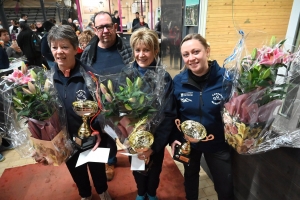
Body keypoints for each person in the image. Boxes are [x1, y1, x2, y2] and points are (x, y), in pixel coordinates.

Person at [46, 25, 115, 200]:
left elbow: (104, 109)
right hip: (66, 140)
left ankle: (102, 191)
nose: (59, 52)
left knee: (98, 169)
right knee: (76, 172)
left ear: (76, 48)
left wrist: (98, 129)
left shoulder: (90, 76)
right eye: (55, 47)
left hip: (94, 137)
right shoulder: (47, 80)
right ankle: (85, 195)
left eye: (64, 47)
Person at [170, 33, 234, 200]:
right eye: (186, 54)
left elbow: (238, 111)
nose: (191, 58)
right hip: (189, 143)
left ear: (207, 51)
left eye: (196, 52)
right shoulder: (178, 81)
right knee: (190, 179)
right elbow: (173, 113)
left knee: (224, 186)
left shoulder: (227, 79)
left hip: (217, 143)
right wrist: (174, 139)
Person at [80, 11, 132, 181]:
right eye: (100, 27)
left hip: (127, 103)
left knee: (129, 133)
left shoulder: (127, 48)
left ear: (115, 27)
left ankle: (136, 157)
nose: (105, 30)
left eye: (108, 26)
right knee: (106, 136)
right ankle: (109, 161)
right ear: (95, 29)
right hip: (101, 105)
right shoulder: (88, 52)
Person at [129, 28, 177, 200]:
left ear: (155, 51)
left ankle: (151, 193)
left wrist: (154, 146)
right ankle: (141, 193)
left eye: (146, 50)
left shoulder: (163, 77)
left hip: (155, 139)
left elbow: (169, 113)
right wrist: (126, 135)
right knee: (137, 169)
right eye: (138, 50)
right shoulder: (126, 74)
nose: (141, 54)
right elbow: (119, 111)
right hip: (133, 139)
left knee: (154, 171)